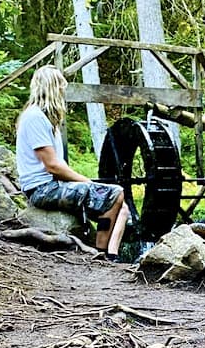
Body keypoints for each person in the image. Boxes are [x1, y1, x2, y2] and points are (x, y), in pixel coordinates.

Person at [16, 65, 130, 258]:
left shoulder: (47, 120)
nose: (63, 92)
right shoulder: (34, 117)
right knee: (115, 192)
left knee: (123, 208)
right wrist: (88, 182)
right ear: (51, 88)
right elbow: (52, 166)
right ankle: (101, 253)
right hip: (42, 189)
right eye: (61, 87)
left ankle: (112, 256)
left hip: (53, 186)